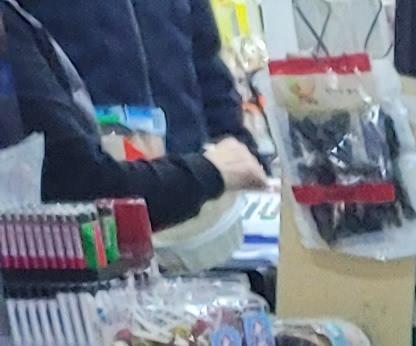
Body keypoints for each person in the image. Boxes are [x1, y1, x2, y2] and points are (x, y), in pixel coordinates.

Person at [0, 0, 264, 224]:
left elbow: (207, 64)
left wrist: (237, 149)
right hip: (100, 200)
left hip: (199, 191)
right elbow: (65, 169)